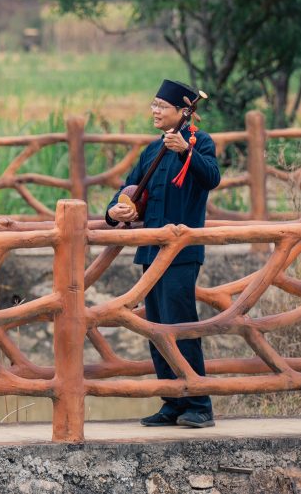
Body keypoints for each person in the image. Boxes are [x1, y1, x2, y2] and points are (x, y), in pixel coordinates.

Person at [105, 79, 221, 429]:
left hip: (182, 254)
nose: (154, 111)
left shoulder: (201, 143)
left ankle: (198, 403)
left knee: (180, 326)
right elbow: (123, 194)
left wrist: (186, 151)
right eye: (153, 104)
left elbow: (212, 178)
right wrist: (114, 213)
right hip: (149, 253)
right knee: (156, 327)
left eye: (161, 106)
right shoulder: (150, 151)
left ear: (184, 112)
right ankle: (172, 401)